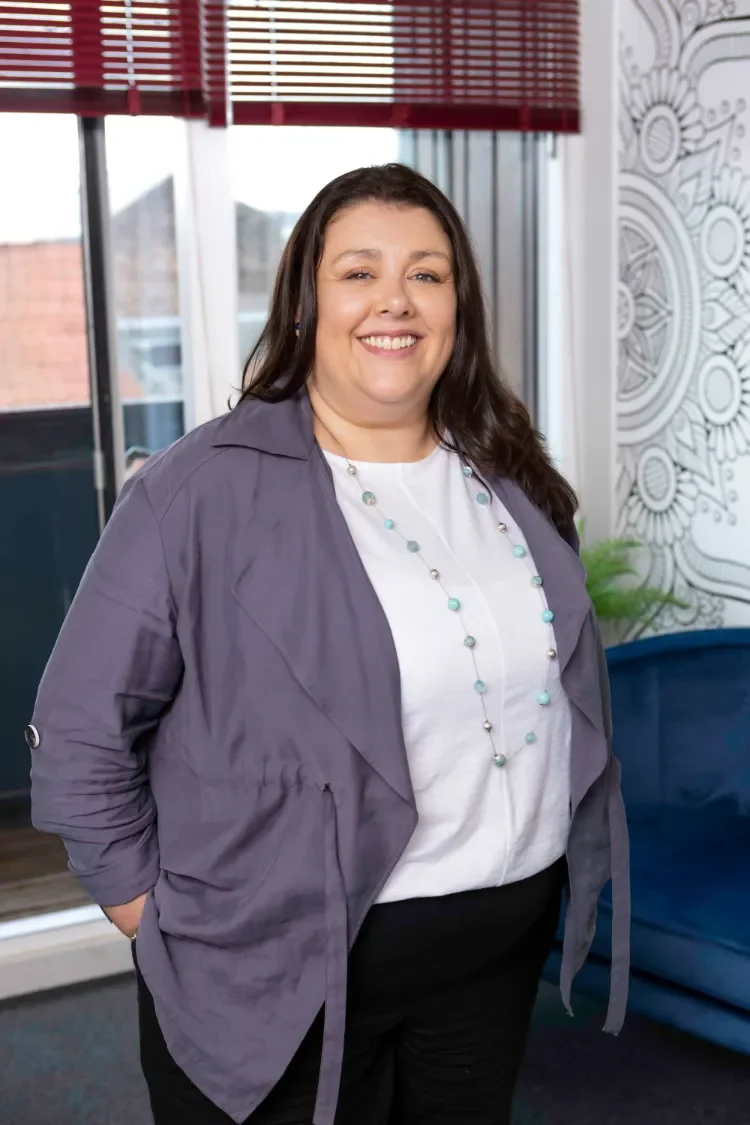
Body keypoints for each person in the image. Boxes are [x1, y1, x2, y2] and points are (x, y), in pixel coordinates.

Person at [29, 164, 629, 1125]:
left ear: (457, 308)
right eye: (360, 272)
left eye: (428, 275)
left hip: (493, 949)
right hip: (277, 963)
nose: (396, 299)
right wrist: (152, 917)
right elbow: (80, 728)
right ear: (306, 301)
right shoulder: (202, 489)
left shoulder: (508, 475)